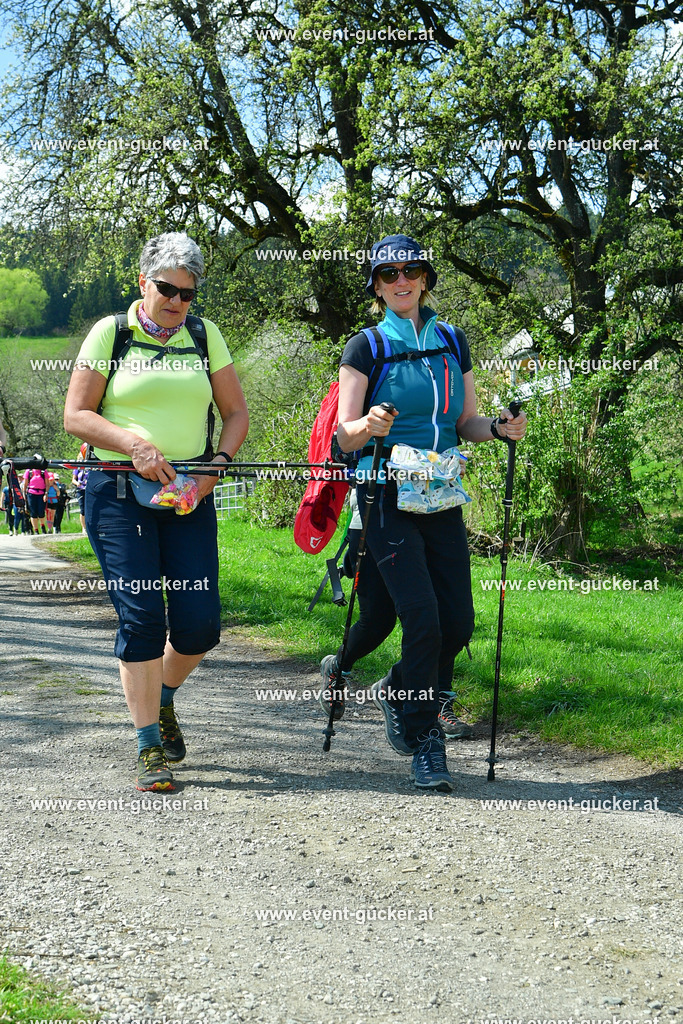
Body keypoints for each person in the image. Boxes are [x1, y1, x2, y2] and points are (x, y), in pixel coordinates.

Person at [335, 234, 527, 791]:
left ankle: (398, 688)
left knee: (458, 621)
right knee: (420, 618)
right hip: (385, 493)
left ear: (424, 279)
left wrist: (495, 428)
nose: (400, 280)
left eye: (410, 270)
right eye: (388, 273)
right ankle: (424, 739)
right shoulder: (365, 346)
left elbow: (465, 420)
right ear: (376, 285)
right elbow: (344, 437)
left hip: (439, 491)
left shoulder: (451, 340)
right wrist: (367, 426)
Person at [64, 232, 249, 792]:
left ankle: (163, 699)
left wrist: (215, 469)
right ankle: (148, 746)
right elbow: (77, 415)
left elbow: (236, 413)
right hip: (118, 493)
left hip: (189, 494)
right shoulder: (110, 333)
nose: (175, 300)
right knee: (143, 618)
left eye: (187, 293)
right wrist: (134, 446)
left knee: (200, 625)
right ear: (143, 281)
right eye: (165, 288)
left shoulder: (204, 335)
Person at [319, 492, 474, 740]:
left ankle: (437, 696)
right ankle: (337, 667)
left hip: (433, 509)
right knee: (377, 622)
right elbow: (343, 454)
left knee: (442, 617)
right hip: (374, 513)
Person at [22, 466, 49, 534]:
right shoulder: (29, 471)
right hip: (31, 493)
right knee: (33, 512)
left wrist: (46, 494)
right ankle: (36, 530)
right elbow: (25, 484)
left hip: (41, 493)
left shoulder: (43, 471)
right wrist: (23, 494)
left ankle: (43, 527)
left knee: (41, 512)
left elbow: (47, 484)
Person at [72, 443, 89, 533]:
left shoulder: (90, 466)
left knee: (89, 508)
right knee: (82, 509)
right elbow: (73, 480)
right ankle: (84, 527)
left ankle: (90, 526)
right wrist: (78, 483)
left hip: (89, 489)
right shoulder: (77, 467)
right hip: (80, 489)